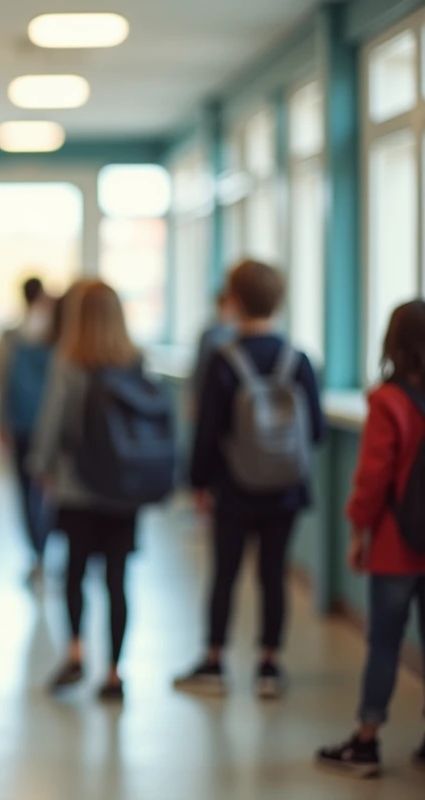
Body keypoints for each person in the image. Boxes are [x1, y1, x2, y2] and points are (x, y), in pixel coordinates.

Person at [175, 260, 324, 699]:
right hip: (286, 491)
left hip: (234, 489)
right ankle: (269, 665)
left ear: (234, 301)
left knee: (225, 572)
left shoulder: (223, 361)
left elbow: (207, 432)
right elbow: (313, 429)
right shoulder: (299, 360)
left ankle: (215, 661)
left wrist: (199, 484)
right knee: (273, 574)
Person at [316, 299, 425, 778]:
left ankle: (366, 741)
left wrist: (358, 530)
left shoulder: (388, 401)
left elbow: (373, 478)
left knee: (384, 641)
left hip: (395, 546)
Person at [30, 280, 150, 701]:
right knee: (118, 579)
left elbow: (52, 421)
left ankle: (77, 653)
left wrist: (41, 469)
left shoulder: (69, 361)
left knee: (75, 572)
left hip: (77, 487)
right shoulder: (135, 359)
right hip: (124, 488)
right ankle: (115, 674)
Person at [0, 276, 56, 579]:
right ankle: (48, 547)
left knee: (26, 490)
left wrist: (0, 423)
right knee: (51, 490)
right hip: (51, 427)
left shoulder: (10, 337)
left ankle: (37, 553)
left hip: (20, 424)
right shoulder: (57, 335)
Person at [190, 289, 238, 412]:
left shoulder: (238, 333)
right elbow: (200, 366)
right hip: (209, 388)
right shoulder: (210, 334)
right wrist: (194, 398)